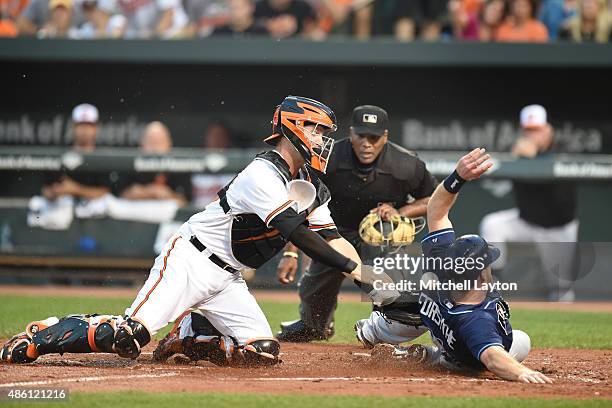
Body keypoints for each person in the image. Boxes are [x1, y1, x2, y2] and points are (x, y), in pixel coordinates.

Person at [1, 96, 378, 367]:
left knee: (260, 351)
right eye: (316, 130)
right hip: (191, 260)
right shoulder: (262, 173)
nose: (322, 140)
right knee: (127, 336)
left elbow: (333, 238)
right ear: (293, 128)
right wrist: (354, 273)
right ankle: (43, 334)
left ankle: (188, 332)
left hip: (227, 278)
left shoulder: (310, 183)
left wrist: (374, 278)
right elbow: (295, 233)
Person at [356, 148, 553, 384]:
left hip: (436, 320)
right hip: (463, 350)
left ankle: (376, 331)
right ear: (480, 274)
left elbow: (436, 211)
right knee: (520, 341)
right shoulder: (476, 318)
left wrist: (457, 177)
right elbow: (492, 358)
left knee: (411, 304)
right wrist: (521, 372)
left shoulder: (442, 262)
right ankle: (441, 359)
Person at [276, 105, 437, 342]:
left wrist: (400, 211)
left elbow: (433, 199)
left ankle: (384, 329)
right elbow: (304, 204)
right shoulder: (327, 157)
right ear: (351, 133)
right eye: (361, 135)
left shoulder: (406, 164)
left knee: (389, 277)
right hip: (334, 233)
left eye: (374, 137)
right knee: (312, 290)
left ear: (385, 136)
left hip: (381, 238)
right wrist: (291, 253)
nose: (366, 143)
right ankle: (315, 325)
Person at [480, 104, 579, 301]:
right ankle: (494, 287)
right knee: (492, 224)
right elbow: (497, 185)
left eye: (537, 130)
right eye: (528, 131)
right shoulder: (519, 152)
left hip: (558, 229)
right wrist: (517, 162)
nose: (533, 136)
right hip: (526, 221)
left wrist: (533, 162)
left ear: (548, 130)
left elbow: (559, 199)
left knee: (561, 292)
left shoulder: (563, 151)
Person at [42, 103, 111, 202]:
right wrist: (55, 192)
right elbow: (46, 190)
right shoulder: (61, 155)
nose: (84, 130)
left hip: (94, 207)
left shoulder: (103, 157)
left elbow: (106, 192)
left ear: (97, 127)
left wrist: (75, 189)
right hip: (63, 206)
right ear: (73, 126)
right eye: (81, 125)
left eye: (89, 125)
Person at [116, 121, 190, 206]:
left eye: (159, 141)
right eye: (151, 142)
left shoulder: (180, 165)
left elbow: (184, 201)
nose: (155, 148)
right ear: (141, 144)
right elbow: (122, 196)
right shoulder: (131, 164)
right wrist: (150, 192)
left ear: (169, 144)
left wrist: (165, 194)